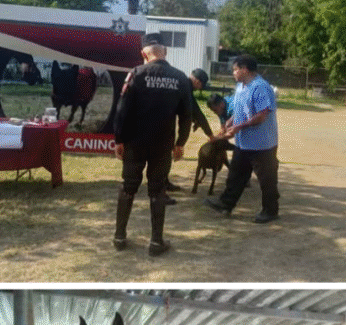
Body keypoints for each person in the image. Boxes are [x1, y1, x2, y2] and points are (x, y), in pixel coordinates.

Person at [112, 42, 192, 257]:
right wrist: (180, 143)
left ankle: (119, 237)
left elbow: (122, 108)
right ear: (165, 52)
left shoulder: (136, 74)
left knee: (128, 186)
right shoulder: (180, 78)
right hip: (163, 143)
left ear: (143, 54)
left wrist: (119, 138)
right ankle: (156, 242)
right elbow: (187, 114)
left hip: (135, 142)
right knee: (157, 190)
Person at [206, 55, 280, 223]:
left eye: (235, 69)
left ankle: (270, 211)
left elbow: (262, 115)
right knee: (236, 175)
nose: (234, 73)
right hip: (244, 143)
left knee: (267, 179)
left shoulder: (260, 87)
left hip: (262, 145)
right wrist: (230, 122)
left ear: (245, 69)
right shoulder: (241, 86)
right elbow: (239, 109)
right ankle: (226, 204)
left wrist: (239, 127)